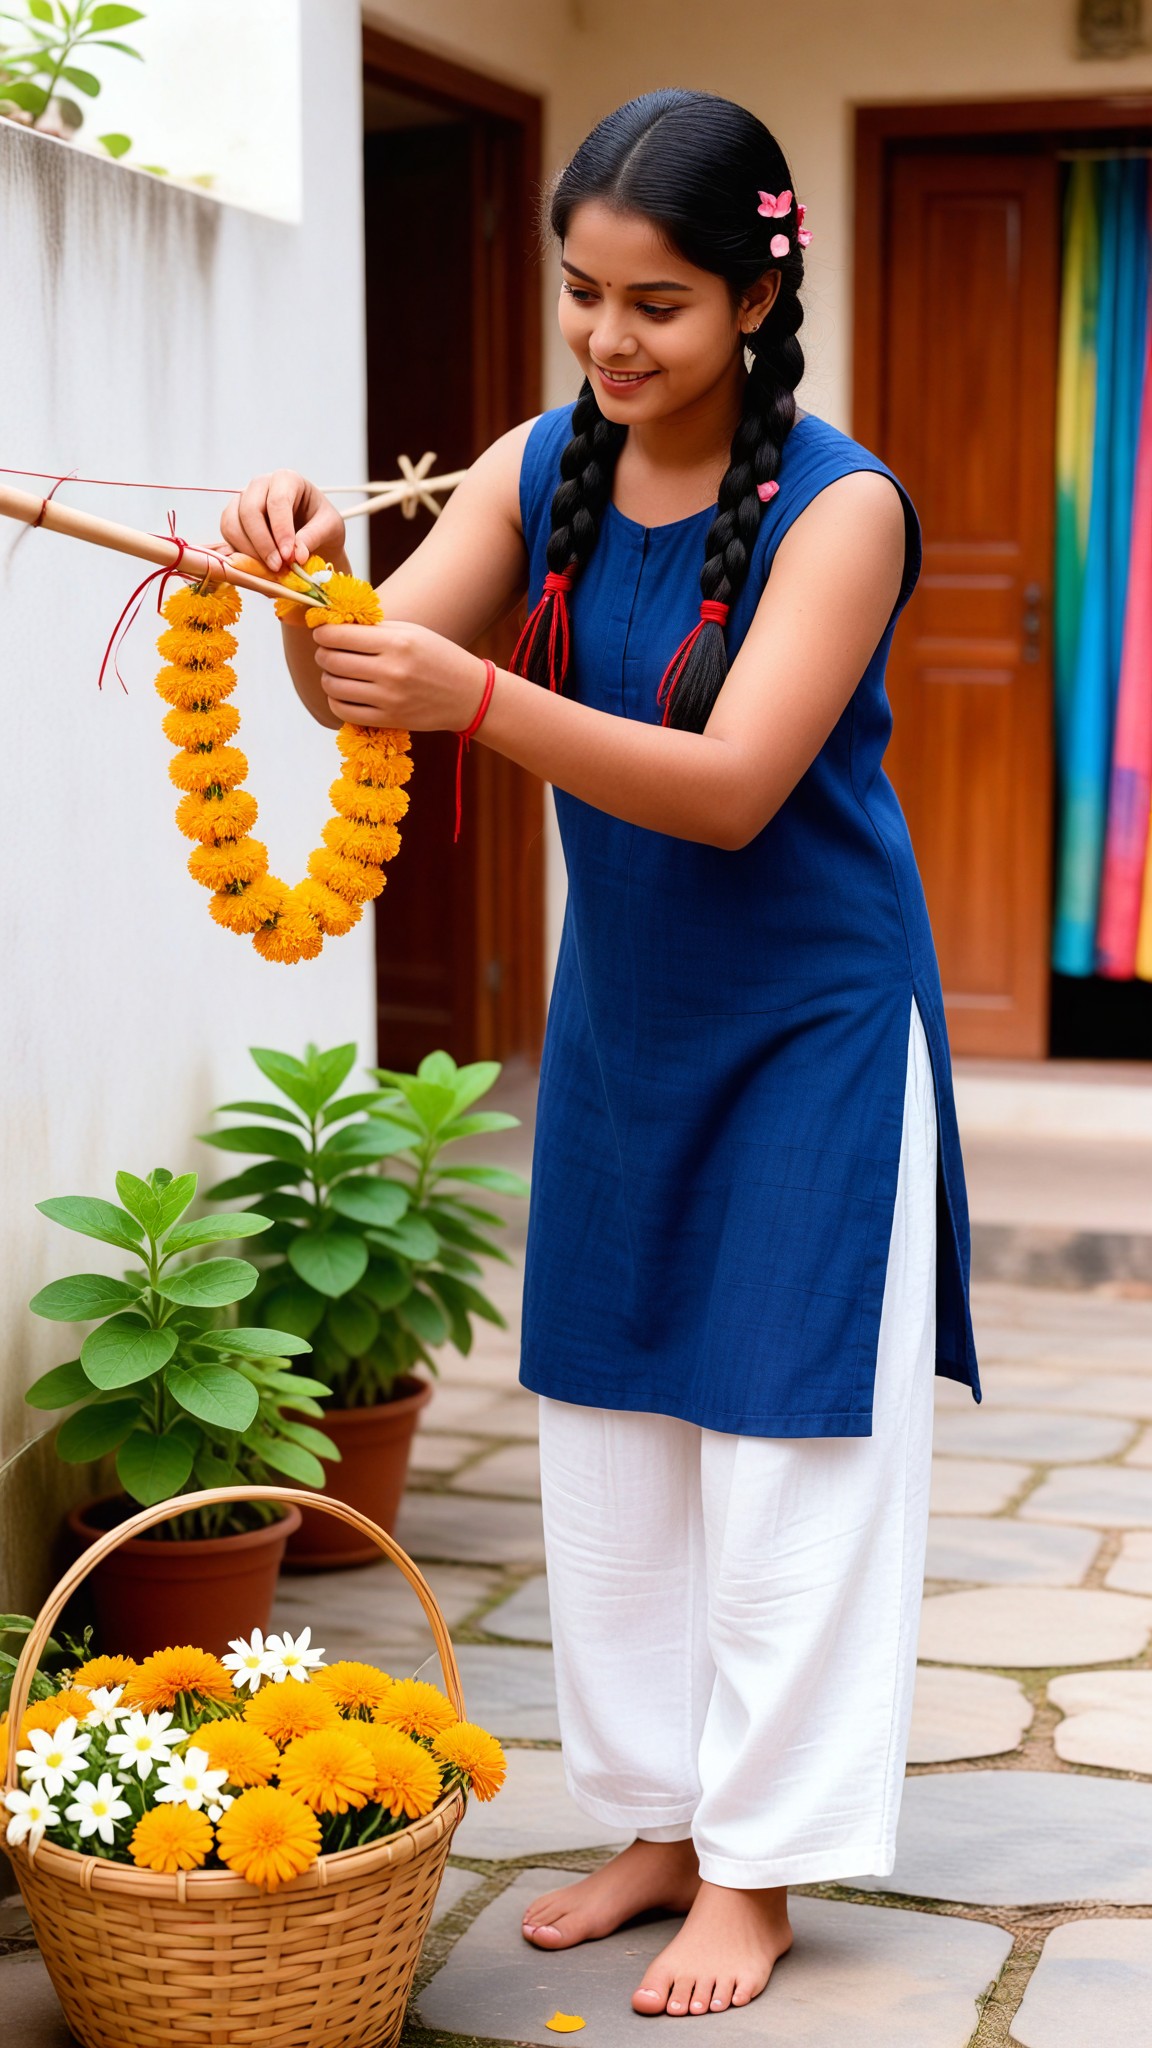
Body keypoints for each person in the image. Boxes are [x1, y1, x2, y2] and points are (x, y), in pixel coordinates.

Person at [222, 87, 981, 2021]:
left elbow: (730, 789)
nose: (607, 338)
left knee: (787, 1453)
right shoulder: (540, 458)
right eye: (582, 292)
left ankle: (761, 1866)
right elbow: (366, 681)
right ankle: (655, 1822)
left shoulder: (843, 506)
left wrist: (473, 698)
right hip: (630, 1026)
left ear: (756, 296)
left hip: (814, 1033)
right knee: (617, 1441)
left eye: (657, 303)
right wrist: (298, 588)